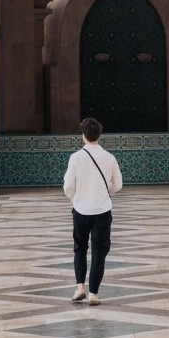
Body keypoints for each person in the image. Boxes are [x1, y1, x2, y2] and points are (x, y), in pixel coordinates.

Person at [63, 117, 123, 305]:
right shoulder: (109, 157)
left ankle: (80, 286)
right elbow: (118, 184)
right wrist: (104, 193)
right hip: (102, 210)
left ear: (83, 136)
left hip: (81, 209)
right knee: (99, 252)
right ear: (99, 135)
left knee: (80, 248)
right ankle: (93, 293)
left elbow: (68, 186)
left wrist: (75, 198)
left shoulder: (76, 157)